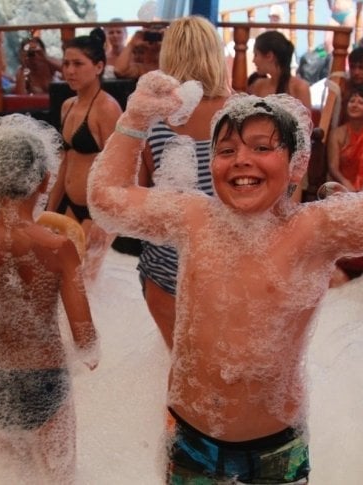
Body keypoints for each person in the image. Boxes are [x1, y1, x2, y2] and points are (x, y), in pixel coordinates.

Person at [87, 13, 363, 483]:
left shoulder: (315, 230)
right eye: (226, 151)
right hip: (191, 438)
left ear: (294, 165)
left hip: (276, 446)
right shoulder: (194, 217)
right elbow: (105, 200)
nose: (241, 159)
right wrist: (135, 117)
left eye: (262, 147)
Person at [0, 114, 99, 483]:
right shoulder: (59, 247)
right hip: (47, 379)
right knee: (58, 476)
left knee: (6, 476)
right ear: (44, 180)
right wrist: (88, 356)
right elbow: (84, 336)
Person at [137, 15, 231, 350]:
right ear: (215, 55)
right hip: (233, 267)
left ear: (169, 57)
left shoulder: (149, 118)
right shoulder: (246, 112)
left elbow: (139, 198)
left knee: (179, 373)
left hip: (165, 265)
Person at [46, 28, 122, 280]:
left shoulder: (107, 108)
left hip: (96, 210)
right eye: (66, 63)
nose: (69, 71)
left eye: (78, 64)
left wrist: (105, 219)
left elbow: (120, 169)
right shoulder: (68, 106)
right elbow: (65, 162)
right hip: (71, 204)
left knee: (86, 285)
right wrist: (49, 210)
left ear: (99, 66)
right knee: (61, 277)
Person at [249, 30, 312, 109]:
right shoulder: (258, 85)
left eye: (256, 55)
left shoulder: (300, 88)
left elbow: (306, 120)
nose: (253, 61)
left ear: (269, 56)